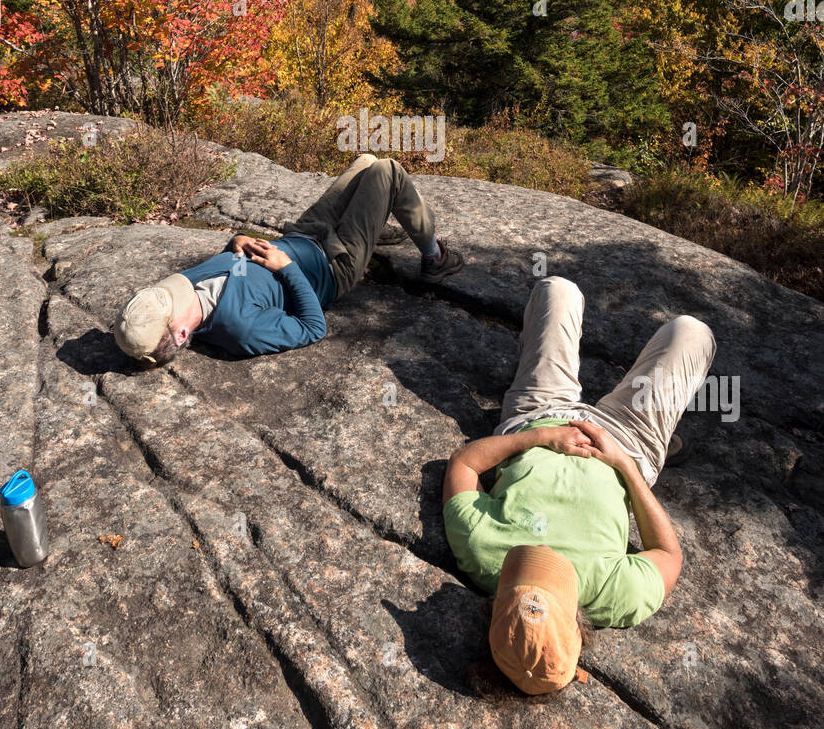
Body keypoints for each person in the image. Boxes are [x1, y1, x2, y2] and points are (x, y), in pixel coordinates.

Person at [442, 275, 716, 697]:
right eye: (551, 573)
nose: (543, 555)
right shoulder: (612, 596)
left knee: (558, 289)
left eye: (525, 570)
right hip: (628, 439)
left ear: (495, 608)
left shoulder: (482, 555)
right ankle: (655, 431)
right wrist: (624, 465)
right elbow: (668, 555)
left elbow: (464, 463)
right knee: (692, 332)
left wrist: (538, 438)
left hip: (539, 413)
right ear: (577, 624)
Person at [113, 153, 463, 366]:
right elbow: (313, 328)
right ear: (181, 334)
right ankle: (436, 258)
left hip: (304, 234)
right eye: (171, 301)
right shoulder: (240, 328)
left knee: (366, 163)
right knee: (387, 171)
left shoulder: (186, 291)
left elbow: (232, 271)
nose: (178, 288)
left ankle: (373, 224)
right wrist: (288, 269)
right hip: (332, 265)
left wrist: (236, 242)